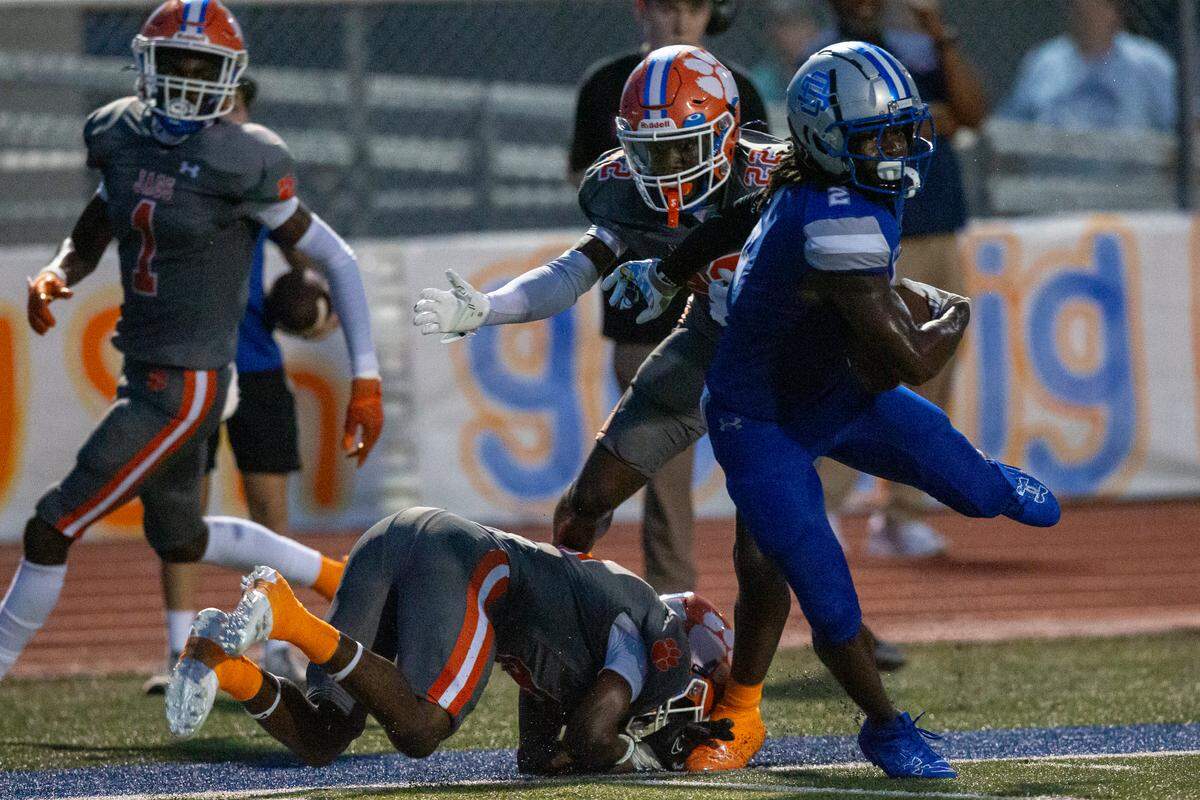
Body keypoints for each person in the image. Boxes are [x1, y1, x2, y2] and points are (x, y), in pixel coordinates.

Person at [414, 45, 902, 773]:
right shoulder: (619, 190)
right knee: (582, 506)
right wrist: (489, 307)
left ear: (729, 131)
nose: (666, 168)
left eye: (681, 147)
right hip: (706, 343)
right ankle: (550, 674)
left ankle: (741, 709)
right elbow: (572, 272)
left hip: (785, 366)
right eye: (652, 151)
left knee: (760, 548)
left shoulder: (784, 173)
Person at [694, 41, 1059, 778]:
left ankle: (989, 484)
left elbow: (747, 213)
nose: (899, 149)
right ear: (829, 140)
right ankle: (886, 728)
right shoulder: (836, 222)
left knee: (980, 491)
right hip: (763, 422)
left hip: (837, 390)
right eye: (881, 136)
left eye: (902, 130)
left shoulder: (816, 177)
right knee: (827, 595)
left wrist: (673, 270)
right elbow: (913, 361)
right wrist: (951, 311)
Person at [0, 0, 384, 681]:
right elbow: (100, 219)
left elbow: (339, 260)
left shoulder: (241, 159)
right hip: (145, 371)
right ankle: (331, 573)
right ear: (144, 64)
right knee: (179, 534)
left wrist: (366, 378)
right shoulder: (120, 134)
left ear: (228, 75)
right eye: (172, 60)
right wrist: (61, 270)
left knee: (51, 525)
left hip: (184, 386)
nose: (183, 75)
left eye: (200, 64)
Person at [166, 506, 735, 775]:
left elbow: (539, 757)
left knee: (322, 736)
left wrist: (587, 750)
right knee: (420, 727)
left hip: (398, 536)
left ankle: (224, 660)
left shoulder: (587, 634)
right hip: (467, 560)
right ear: (683, 655)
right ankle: (288, 617)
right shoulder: (638, 637)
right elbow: (591, 734)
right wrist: (651, 761)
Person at [565, 0, 771, 593]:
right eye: (666, 7)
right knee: (660, 471)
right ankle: (672, 605)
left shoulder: (740, 90)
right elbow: (591, 185)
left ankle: (826, 604)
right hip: (643, 307)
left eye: (693, 7)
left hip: (726, 306)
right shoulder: (606, 85)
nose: (680, 21)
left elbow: (762, 196)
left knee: (778, 462)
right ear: (640, 9)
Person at [143, 76, 335, 694]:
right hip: (187, 363)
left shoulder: (257, 186)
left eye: (238, 109)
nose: (230, 121)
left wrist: (314, 305)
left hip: (253, 362)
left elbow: (306, 253)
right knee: (182, 511)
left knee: (271, 516)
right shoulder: (170, 182)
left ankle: (279, 643)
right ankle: (180, 651)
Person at [802, 0, 988, 557]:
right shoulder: (828, 58)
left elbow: (973, 112)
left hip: (933, 228)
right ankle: (823, 505)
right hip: (866, 231)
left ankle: (903, 512)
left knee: (932, 372)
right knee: (854, 369)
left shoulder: (915, 50)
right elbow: (853, 133)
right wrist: (929, 120)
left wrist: (939, 33)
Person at [1002, 0, 1175, 133]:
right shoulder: (1044, 62)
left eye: (1097, 6)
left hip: (1129, 176)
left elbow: (1189, 128)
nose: (1087, 12)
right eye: (1079, 6)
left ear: (1115, 12)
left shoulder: (1149, 63)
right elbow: (1012, 128)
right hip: (1056, 175)